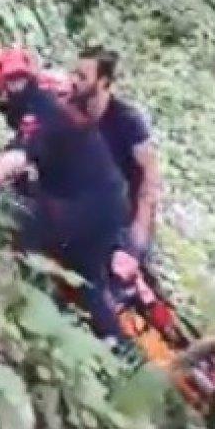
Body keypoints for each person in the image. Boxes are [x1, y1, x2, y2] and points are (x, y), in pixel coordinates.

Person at [0, 47, 127, 339]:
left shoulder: (41, 111)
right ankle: (119, 346)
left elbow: (20, 155)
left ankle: (20, 297)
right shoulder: (43, 102)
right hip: (102, 200)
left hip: (90, 206)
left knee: (17, 218)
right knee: (88, 283)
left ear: (11, 87)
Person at [71, 47, 159, 285]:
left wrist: (139, 230)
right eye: (74, 74)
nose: (74, 82)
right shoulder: (72, 110)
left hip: (123, 218)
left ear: (103, 82)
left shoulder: (128, 122)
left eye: (82, 77)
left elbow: (150, 178)